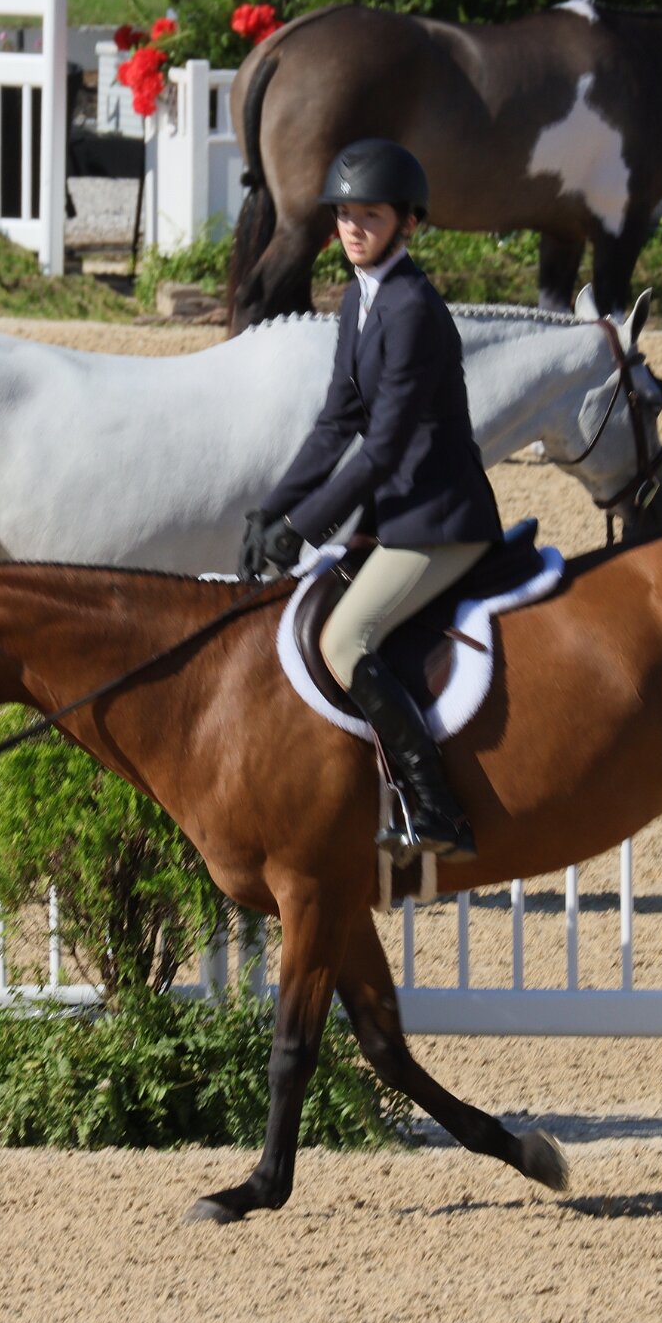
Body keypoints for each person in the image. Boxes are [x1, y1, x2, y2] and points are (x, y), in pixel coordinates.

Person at [242, 138, 503, 858]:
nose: (353, 228)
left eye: (371, 216)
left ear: (407, 223)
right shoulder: (360, 296)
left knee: (343, 640)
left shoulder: (412, 308)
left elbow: (384, 446)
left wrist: (304, 524)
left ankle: (437, 808)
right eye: (345, 214)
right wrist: (273, 508)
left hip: (439, 519)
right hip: (395, 513)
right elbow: (338, 419)